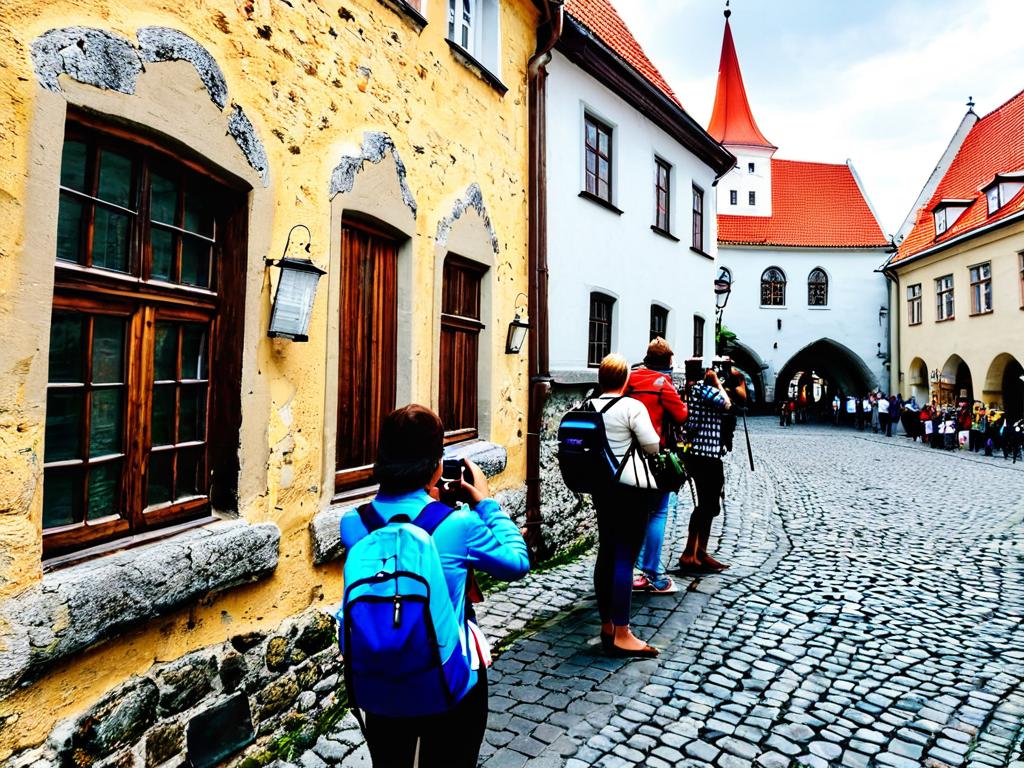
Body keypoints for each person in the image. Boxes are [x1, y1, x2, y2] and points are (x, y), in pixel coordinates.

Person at [340, 405, 529, 767]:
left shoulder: (354, 523)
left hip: (381, 680)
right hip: (447, 680)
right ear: (437, 464)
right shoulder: (459, 524)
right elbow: (516, 563)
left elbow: (397, 540)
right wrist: (486, 503)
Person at [589, 353, 662, 657]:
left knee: (606, 554)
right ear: (625, 379)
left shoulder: (587, 405)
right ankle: (622, 632)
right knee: (624, 558)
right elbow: (652, 445)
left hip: (601, 489)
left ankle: (606, 624)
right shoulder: (631, 407)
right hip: (630, 491)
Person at [627, 338, 688, 595]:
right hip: (654, 456)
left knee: (632, 514)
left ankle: (627, 570)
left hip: (626, 455)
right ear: (668, 362)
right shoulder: (662, 383)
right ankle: (651, 572)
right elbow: (682, 415)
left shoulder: (630, 378)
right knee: (658, 512)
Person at [678, 360, 731, 573]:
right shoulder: (704, 389)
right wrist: (717, 382)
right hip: (705, 455)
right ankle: (691, 553)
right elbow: (727, 404)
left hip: (701, 454)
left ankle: (699, 551)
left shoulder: (693, 390)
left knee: (708, 504)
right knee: (706, 505)